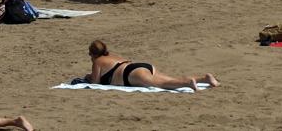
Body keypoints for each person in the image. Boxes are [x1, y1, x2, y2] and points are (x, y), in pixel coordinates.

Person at [86, 40, 217, 91]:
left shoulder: (97, 61)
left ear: (93, 54)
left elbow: (95, 82)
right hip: (141, 66)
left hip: (131, 73)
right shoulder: (111, 55)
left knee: (162, 84)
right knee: (169, 79)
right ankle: (204, 78)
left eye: (90, 55)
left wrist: (88, 77)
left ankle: (188, 82)